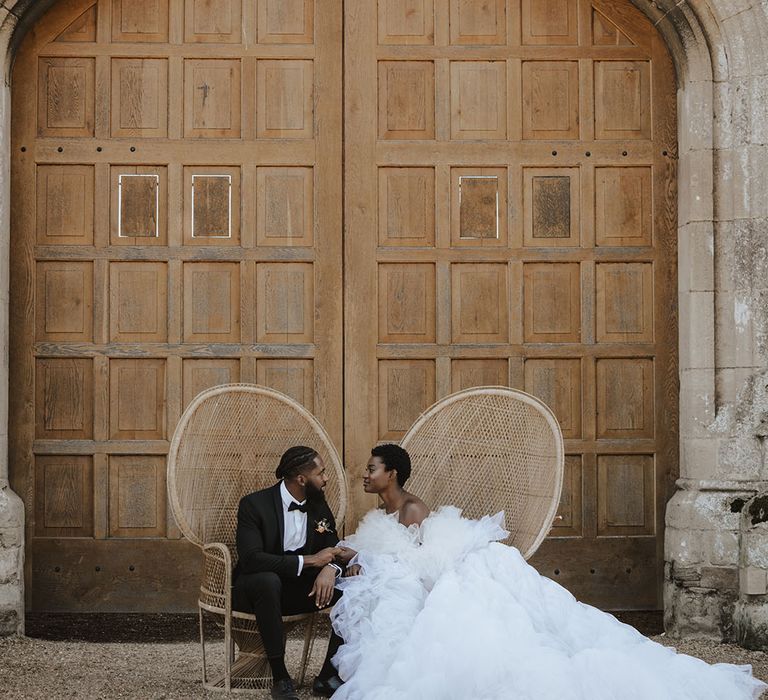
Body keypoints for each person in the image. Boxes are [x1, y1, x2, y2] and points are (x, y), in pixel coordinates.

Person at [329, 444, 767, 700]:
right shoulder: (382, 514)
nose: (365, 475)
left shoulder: (412, 508)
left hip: (457, 570)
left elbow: (420, 563)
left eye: (371, 469)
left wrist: (366, 561)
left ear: (393, 474)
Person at [232, 446, 346, 700]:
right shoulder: (254, 505)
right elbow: (251, 560)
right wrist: (309, 561)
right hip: (255, 590)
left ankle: (327, 675)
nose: (325, 479)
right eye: (321, 473)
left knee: (353, 592)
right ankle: (281, 677)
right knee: (268, 580)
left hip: (299, 590)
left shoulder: (318, 505)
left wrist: (330, 568)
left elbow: (334, 547)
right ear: (301, 479)